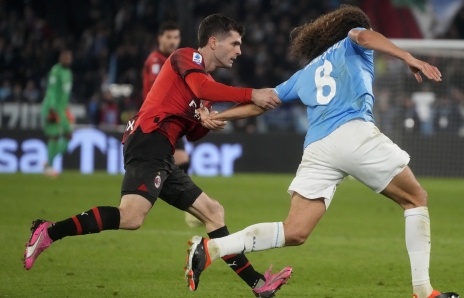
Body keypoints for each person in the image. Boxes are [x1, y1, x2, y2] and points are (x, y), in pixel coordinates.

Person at [186, 6, 460, 298]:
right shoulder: (353, 40)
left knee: (294, 232)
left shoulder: (305, 73)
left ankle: (211, 248)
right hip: (354, 133)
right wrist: (408, 56)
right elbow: (364, 36)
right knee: (416, 199)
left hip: (318, 148)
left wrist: (221, 117)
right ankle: (423, 291)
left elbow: (263, 103)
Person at [23, 14, 290, 298]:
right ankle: (49, 232)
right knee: (131, 217)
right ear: (213, 42)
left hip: (163, 151)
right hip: (148, 139)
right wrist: (252, 94)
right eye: (235, 43)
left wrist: (209, 121)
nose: (239, 50)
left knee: (213, 212)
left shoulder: (207, 89)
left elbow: (195, 132)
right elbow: (202, 88)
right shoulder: (184, 57)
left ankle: (258, 284)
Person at [141, 21, 200, 227]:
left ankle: (188, 205)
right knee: (177, 161)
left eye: (176, 37)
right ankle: (188, 206)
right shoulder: (156, 62)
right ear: (160, 38)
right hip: (159, 121)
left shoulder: (174, 61)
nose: (173, 41)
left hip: (172, 121)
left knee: (180, 161)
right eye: (169, 37)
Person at [41, 50, 73, 177]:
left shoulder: (69, 73)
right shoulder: (56, 71)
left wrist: (66, 110)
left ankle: (48, 161)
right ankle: (49, 167)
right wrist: (52, 108)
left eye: (69, 58)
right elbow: (52, 90)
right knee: (54, 136)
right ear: (60, 58)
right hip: (52, 108)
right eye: (65, 58)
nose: (67, 60)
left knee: (68, 135)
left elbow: (65, 95)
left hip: (63, 110)